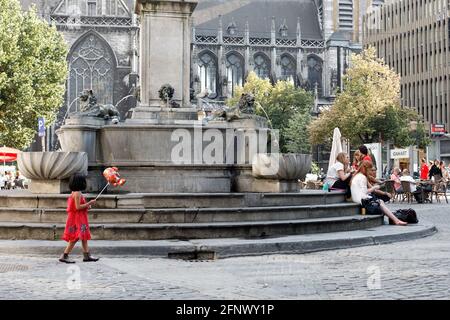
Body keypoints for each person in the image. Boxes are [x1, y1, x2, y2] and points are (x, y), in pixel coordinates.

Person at [350, 161, 407, 226]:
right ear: (366, 169)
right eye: (370, 170)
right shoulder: (362, 177)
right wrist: (374, 187)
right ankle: (396, 220)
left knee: (381, 201)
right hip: (362, 201)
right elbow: (364, 192)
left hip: (357, 199)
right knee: (380, 202)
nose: (370, 172)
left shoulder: (357, 176)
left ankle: (395, 219)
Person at [59, 174, 99, 263]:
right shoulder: (77, 193)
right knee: (75, 237)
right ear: (80, 183)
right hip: (78, 219)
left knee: (83, 236)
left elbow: (77, 206)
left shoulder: (75, 192)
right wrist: (89, 203)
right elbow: (77, 207)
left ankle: (86, 255)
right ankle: (64, 255)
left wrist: (86, 206)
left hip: (79, 217)